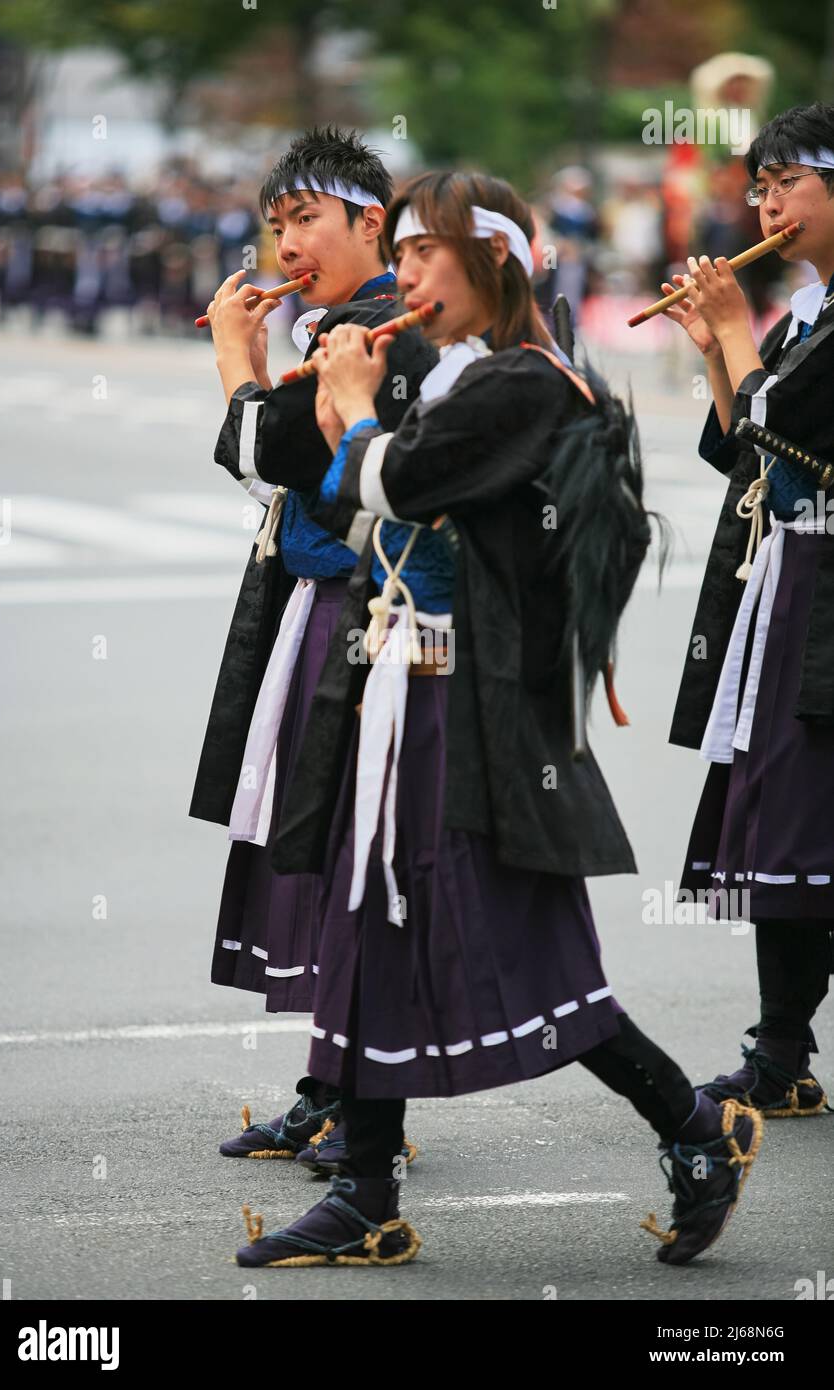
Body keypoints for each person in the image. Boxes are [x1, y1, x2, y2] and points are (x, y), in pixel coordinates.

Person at [234, 171, 764, 1272]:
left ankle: (693, 1125)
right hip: (399, 684)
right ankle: (367, 1197)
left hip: (474, 709)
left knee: (522, 949)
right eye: (409, 253)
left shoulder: (525, 382)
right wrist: (319, 401)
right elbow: (330, 484)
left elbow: (393, 480)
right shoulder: (455, 371)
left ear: (493, 266)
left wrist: (347, 406)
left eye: (427, 254)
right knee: (364, 923)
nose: (409, 275)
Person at [189, 127, 436, 1170]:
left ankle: (363, 1109)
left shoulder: (390, 325)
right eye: (275, 222)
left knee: (347, 853)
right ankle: (328, 1088)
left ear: (367, 221)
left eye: (305, 219)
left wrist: (238, 366)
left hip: (366, 620)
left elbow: (275, 452)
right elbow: (278, 474)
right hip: (316, 609)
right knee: (310, 849)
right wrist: (260, 376)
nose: (285, 241)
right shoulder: (342, 322)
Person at [664, 103, 834, 1118]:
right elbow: (746, 447)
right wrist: (712, 346)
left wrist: (733, 331)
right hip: (792, 579)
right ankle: (779, 1051)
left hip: (825, 585)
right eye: (757, 187)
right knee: (781, 813)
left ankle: (779, 1050)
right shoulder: (806, 310)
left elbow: (791, 422)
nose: (764, 204)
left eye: (787, 183)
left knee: (809, 812)